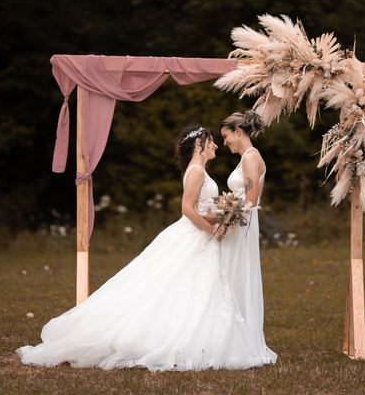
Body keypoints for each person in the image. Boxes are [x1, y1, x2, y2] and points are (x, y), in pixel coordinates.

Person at [16, 125, 273, 371]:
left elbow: (199, 209)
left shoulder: (199, 169)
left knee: (183, 288)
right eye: (211, 140)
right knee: (171, 284)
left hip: (200, 234)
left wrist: (219, 217)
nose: (217, 144)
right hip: (195, 236)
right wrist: (212, 229)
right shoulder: (195, 171)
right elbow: (186, 209)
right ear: (199, 143)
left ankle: (186, 330)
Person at [218, 110, 277, 365]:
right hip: (239, 225)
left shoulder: (251, 158)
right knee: (231, 277)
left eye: (225, 136)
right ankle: (228, 336)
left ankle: (239, 340)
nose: (224, 142)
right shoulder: (246, 158)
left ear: (238, 132)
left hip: (242, 226)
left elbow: (251, 200)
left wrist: (226, 215)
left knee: (237, 277)